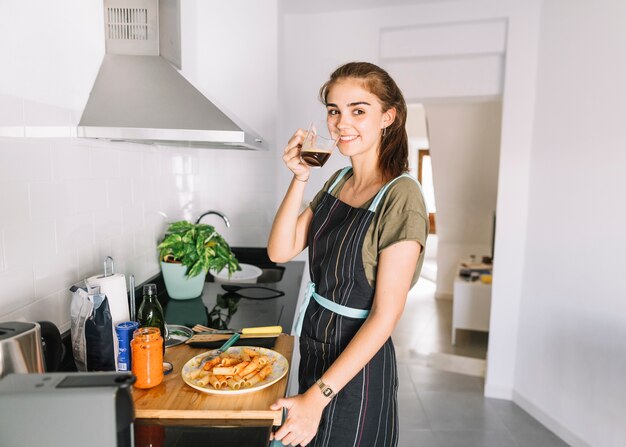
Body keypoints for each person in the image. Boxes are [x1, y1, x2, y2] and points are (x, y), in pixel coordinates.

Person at [267, 61, 429, 447]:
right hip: (316, 346)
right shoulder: (339, 180)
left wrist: (316, 398)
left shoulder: (402, 196)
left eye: (358, 110)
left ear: (388, 117)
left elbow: (386, 316)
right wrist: (301, 176)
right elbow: (280, 250)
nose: (342, 123)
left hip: (359, 366)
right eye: (334, 111)